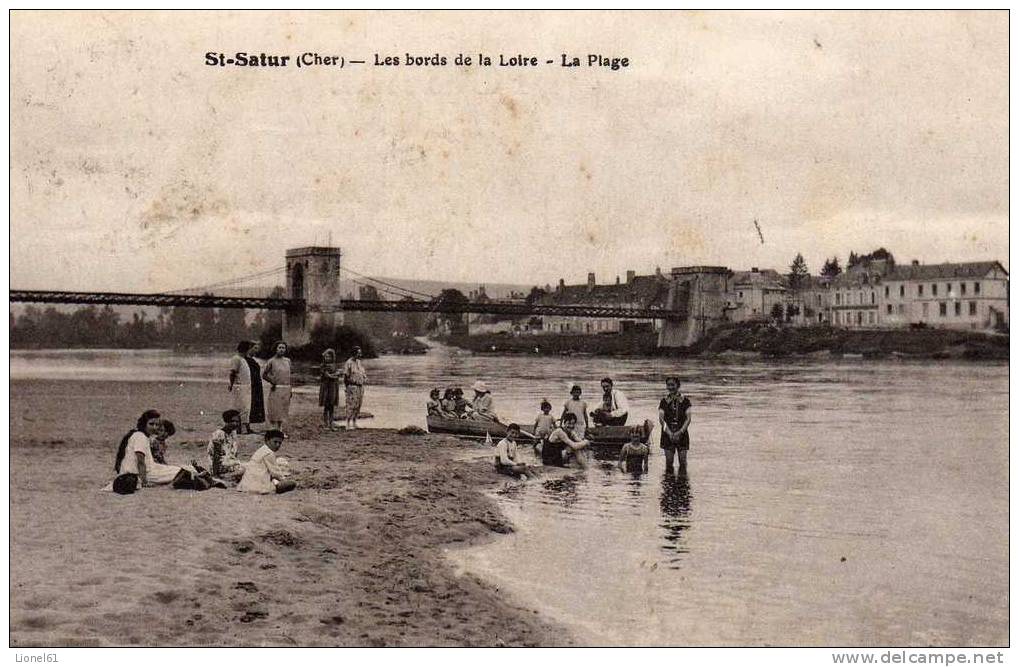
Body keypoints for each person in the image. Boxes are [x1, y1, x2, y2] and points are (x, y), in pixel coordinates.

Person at [113, 409, 184, 487]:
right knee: (180, 472)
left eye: (156, 425)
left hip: (147, 470)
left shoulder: (142, 435)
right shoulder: (140, 437)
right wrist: (144, 482)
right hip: (142, 474)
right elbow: (140, 461)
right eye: (151, 424)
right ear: (144, 424)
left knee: (179, 469)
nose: (154, 427)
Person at [237, 430, 296, 495]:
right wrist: (284, 479)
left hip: (246, 484)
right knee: (292, 483)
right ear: (267, 440)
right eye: (275, 442)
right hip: (258, 485)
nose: (277, 445)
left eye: (280, 443)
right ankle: (276, 487)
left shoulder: (262, 450)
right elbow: (275, 472)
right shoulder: (268, 453)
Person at [229, 341, 264, 435]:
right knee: (242, 407)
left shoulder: (243, 359)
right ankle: (242, 428)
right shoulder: (236, 359)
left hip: (246, 386)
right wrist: (231, 384)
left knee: (246, 407)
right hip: (240, 386)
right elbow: (232, 373)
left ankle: (245, 427)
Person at [658, 376, 692, 472]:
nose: (670, 387)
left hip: (682, 433)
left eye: (672, 385)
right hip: (667, 433)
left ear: (678, 385)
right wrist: (669, 433)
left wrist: (680, 432)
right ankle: (669, 485)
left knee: (683, 462)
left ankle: (683, 485)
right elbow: (661, 419)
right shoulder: (663, 401)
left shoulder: (685, 401)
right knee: (669, 463)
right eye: (668, 385)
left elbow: (688, 419)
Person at [208, 409, 245, 482]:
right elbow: (216, 455)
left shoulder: (233, 433)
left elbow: (233, 454)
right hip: (221, 466)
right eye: (232, 421)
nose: (235, 424)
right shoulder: (218, 434)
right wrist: (215, 475)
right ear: (226, 421)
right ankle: (225, 476)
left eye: (237, 421)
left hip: (231, 464)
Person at [262, 341, 292, 431]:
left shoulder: (288, 361)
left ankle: (280, 429)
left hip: (286, 388)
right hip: (276, 388)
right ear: (276, 349)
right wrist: (272, 382)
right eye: (280, 348)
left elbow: (289, 376)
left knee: (283, 409)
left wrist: (291, 389)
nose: (281, 350)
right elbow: (264, 375)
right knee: (275, 409)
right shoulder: (271, 361)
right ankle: (273, 429)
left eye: (283, 348)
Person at [343, 346, 368, 430]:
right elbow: (346, 376)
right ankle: (347, 423)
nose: (360, 354)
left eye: (360, 353)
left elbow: (363, 373)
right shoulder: (348, 363)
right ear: (354, 353)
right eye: (358, 353)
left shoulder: (359, 362)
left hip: (360, 386)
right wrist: (347, 388)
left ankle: (354, 422)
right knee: (351, 405)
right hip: (352, 386)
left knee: (358, 405)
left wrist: (364, 378)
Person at [319, 349, 341, 429]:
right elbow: (327, 375)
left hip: (333, 387)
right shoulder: (323, 366)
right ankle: (326, 424)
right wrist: (335, 375)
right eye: (326, 357)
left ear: (332, 357)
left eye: (329, 357)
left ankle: (331, 423)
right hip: (326, 387)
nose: (327, 358)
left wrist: (336, 374)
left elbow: (338, 373)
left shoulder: (334, 365)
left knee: (332, 406)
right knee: (326, 406)